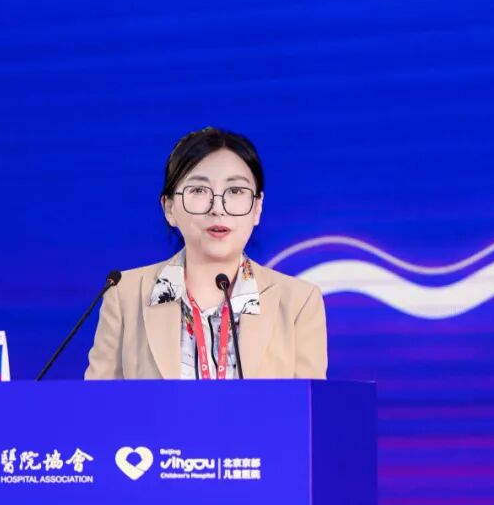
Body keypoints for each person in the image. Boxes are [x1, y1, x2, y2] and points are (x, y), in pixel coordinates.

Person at [85, 126, 327, 380]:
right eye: (199, 190)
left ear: (257, 208)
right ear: (169, 208)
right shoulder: (125, 295)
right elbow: (98, 401)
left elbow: (308, 404)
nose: (218, 209)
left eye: (235, 191)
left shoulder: (298, 303)